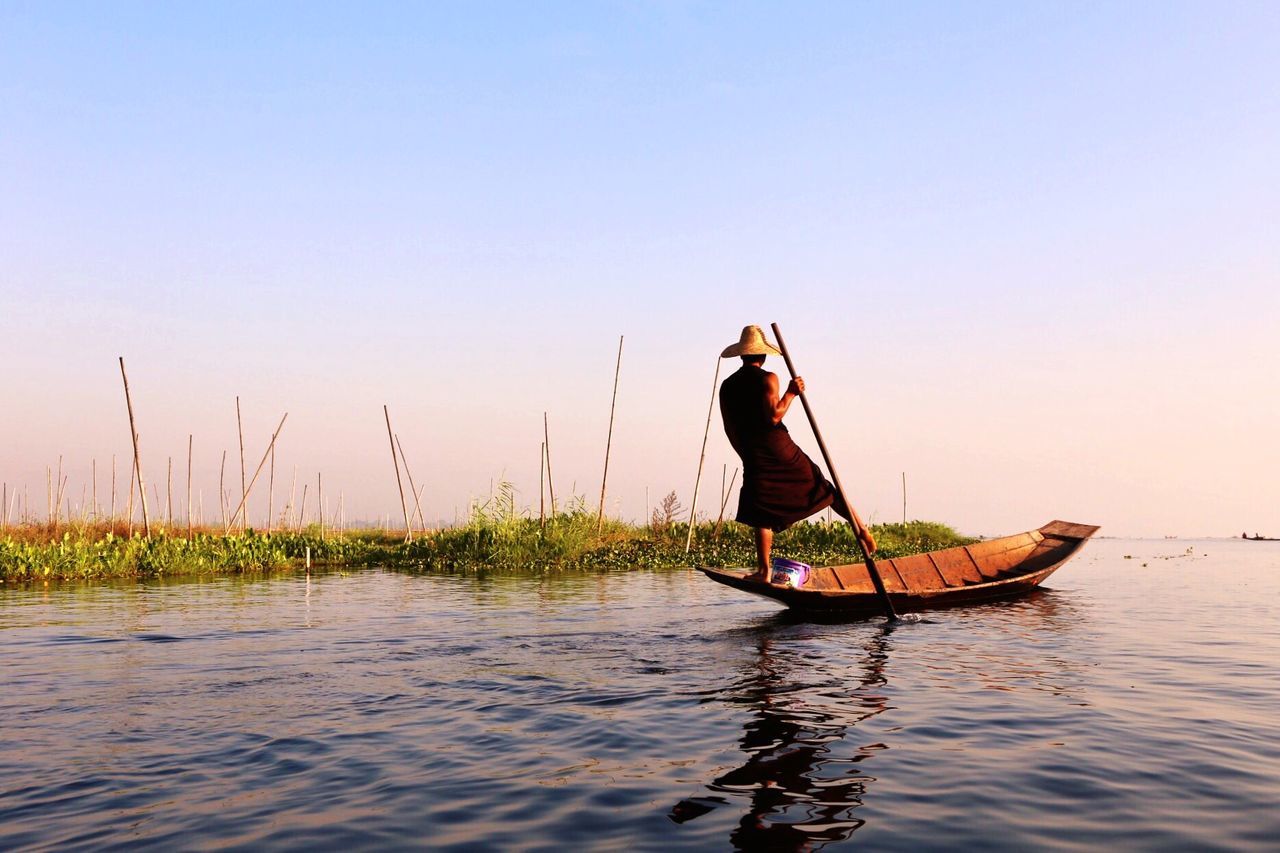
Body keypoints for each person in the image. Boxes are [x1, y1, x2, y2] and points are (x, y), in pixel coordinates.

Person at [718, 325, 875, 582]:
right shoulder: (768, 378)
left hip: (752, 451)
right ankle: (861, 530)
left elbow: (728, 426)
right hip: (777, 448)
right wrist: (792, 393)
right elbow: (774, 416)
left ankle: (764, 571)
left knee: (761, 512)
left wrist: (744, 452)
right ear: (763, 356)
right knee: (823, 488)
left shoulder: (728, 385)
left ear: (742, 356)